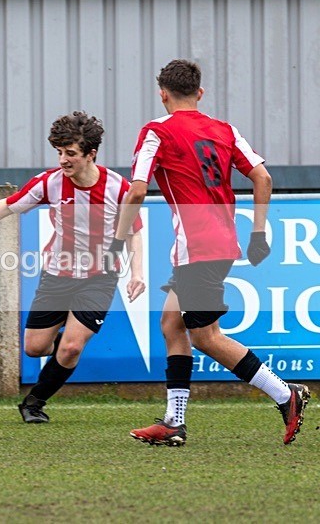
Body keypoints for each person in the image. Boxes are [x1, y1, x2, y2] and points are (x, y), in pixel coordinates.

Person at [112, 59, 310, 446]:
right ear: (199, 93)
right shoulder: (224, 129)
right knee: (172, 324)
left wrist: (117, 241)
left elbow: (136, 190)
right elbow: (262, 176)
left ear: (162, 94)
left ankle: (286, 396)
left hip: (198, 247)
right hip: (218, 242)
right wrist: (257, 233)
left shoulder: (156, 132)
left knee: (205, 337)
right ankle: (174, 422)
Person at [0, 111, 145, 423]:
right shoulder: (50, 183)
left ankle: (33, 403)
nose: (63, 160)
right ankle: (66, 334)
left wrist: (137, 273)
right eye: (59, 153)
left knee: (69, 349)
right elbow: (7, 206)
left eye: (70, 153)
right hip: (57, 275)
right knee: (36, 348)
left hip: (99, 278)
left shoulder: (118, 188)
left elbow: (135, 231)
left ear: (90, 154)